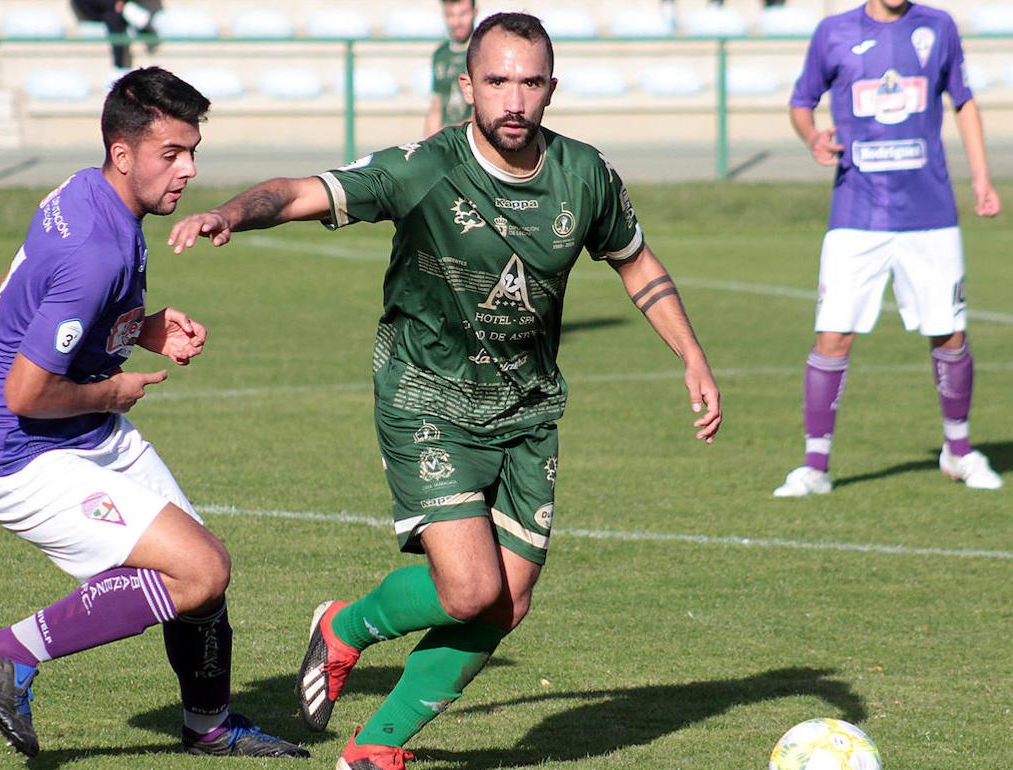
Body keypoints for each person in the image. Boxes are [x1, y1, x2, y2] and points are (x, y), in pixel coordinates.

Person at [167, 14, 722, 769]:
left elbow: (634, 261)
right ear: (468, 87)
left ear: (551, 88)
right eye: (497, 81)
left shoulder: (585, 174)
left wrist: (691, 353)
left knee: (508, 603)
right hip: (426, 394)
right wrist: (232, 212)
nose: (514, 100)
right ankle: (348, 627)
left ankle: (374, 748)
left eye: (530, 82)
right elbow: (308, 190)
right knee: (468, 590)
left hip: (528, 408)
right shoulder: (426, 166)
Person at [0, 66, 308, 761]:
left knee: (203, 580)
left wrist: (142, 327)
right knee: (196, 571)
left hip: (75, 430)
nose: (188, 170)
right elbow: (25, 392)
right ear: (123, 153)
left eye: (192, 151)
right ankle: (4, 654)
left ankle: (210, 728)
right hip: (18, 449)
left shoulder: (91, 195)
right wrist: (113, 392)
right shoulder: (94, 248)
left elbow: (55, 303)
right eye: (171, 154)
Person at [774, 0, 1002, 497]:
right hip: (857, 216)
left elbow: (963, 101)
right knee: (833, 336)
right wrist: (812, 136)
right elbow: (801, 102)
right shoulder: (832, 32)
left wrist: (981, 178)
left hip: (931, 213)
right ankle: (815, 466)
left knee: (950, 334)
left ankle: (958, 451)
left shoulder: (938, 27)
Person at [424, 0, 475, 137]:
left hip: (471, 139)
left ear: (474, 12)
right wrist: (431, 144)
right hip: (446, 141)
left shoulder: (482, 50)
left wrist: (455, 135)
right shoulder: (440, 54)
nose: (457, 22)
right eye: (451, 15)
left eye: (463, 14)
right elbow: (436, 105)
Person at [70, 0, 157, 70]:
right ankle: (130, 14)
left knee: (113, 17)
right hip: (93, 8)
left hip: (114, 12)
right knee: (114, 13)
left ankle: (119, 67)